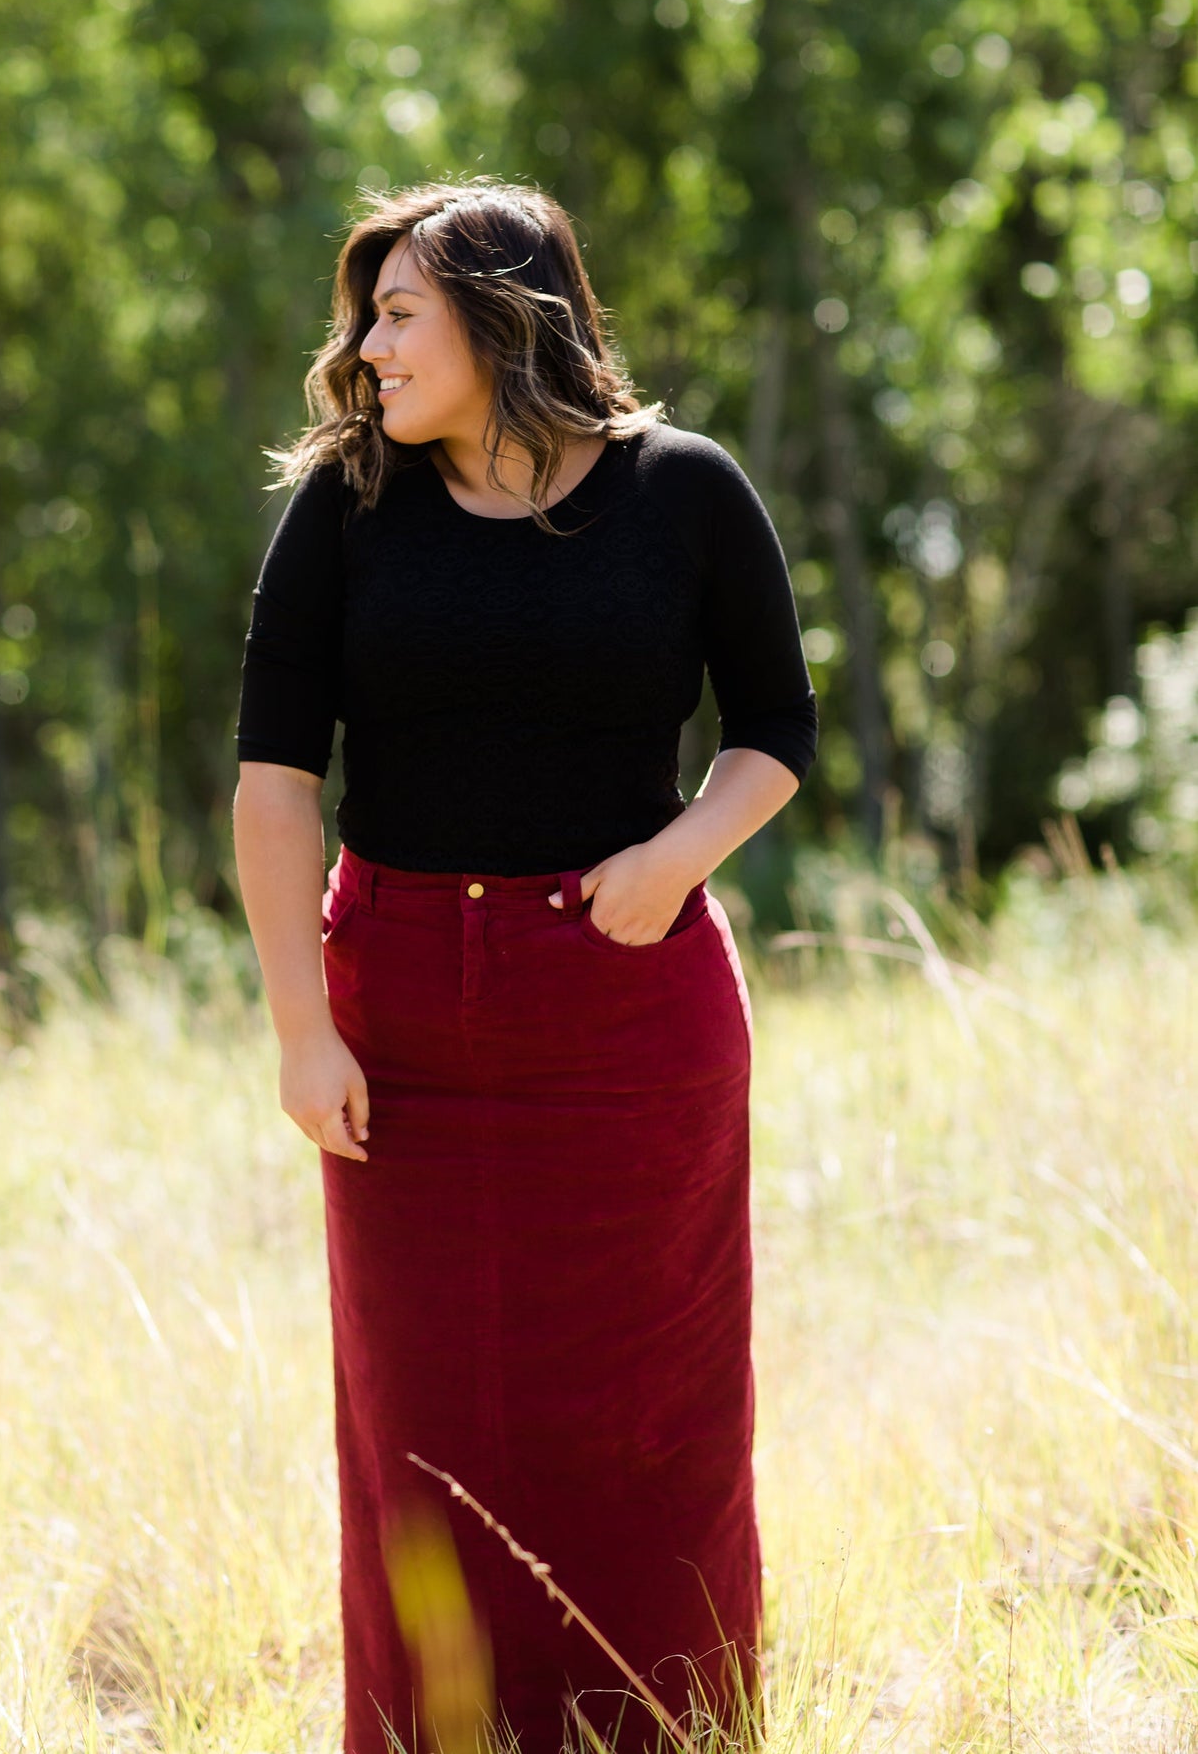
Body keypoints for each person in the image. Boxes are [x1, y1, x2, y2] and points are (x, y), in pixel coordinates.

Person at [232, 179, 818, 1754]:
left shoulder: (682, 491)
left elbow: (776, 731)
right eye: (365, 314)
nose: (362, 349)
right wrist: (303, 1031)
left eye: (397, 312)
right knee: (417, 1434)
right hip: (402, 1014)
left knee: (652, 1426)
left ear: (502, 317)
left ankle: (669, 1732)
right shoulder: (346, 508)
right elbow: (275, 783)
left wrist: (671, 861)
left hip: (631, 1008)